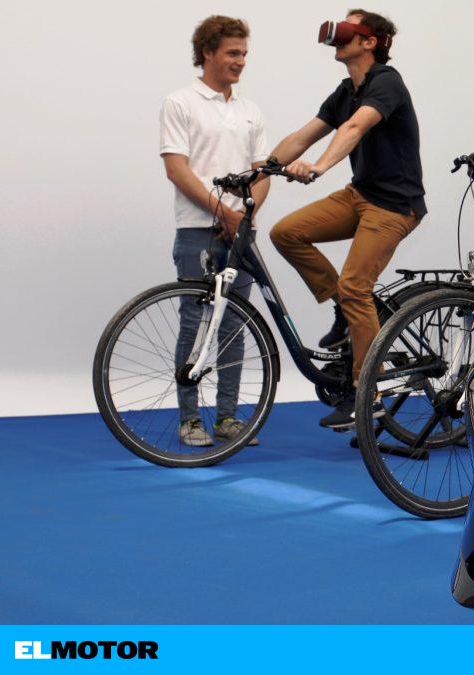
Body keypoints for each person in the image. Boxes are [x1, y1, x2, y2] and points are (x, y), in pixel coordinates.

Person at [268, 8, 426, 429]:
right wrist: (260, 169)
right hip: (360, 195)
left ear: (369, 41)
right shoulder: (345, 90)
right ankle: (343, 307)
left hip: (395, 204)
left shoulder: (386, 82)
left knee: (357, 286)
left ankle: (367, 393)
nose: (338, 36)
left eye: (348, 29)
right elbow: (303, 136)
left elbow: (355, 128)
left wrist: (319, 167)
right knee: (286, 232)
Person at [160, 15, 270, 446]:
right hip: (197, 228)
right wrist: (222, 211)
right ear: (207, 52)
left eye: (244, 54)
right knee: (193, 321)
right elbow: (176, 169)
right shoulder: (180, 102)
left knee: (235, 324)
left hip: (240, 231)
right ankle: (189, 420)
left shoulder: (250, 110)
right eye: (232, 53)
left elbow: (262, 172)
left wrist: (244, 215)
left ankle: (227, 418)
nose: (240, 61)